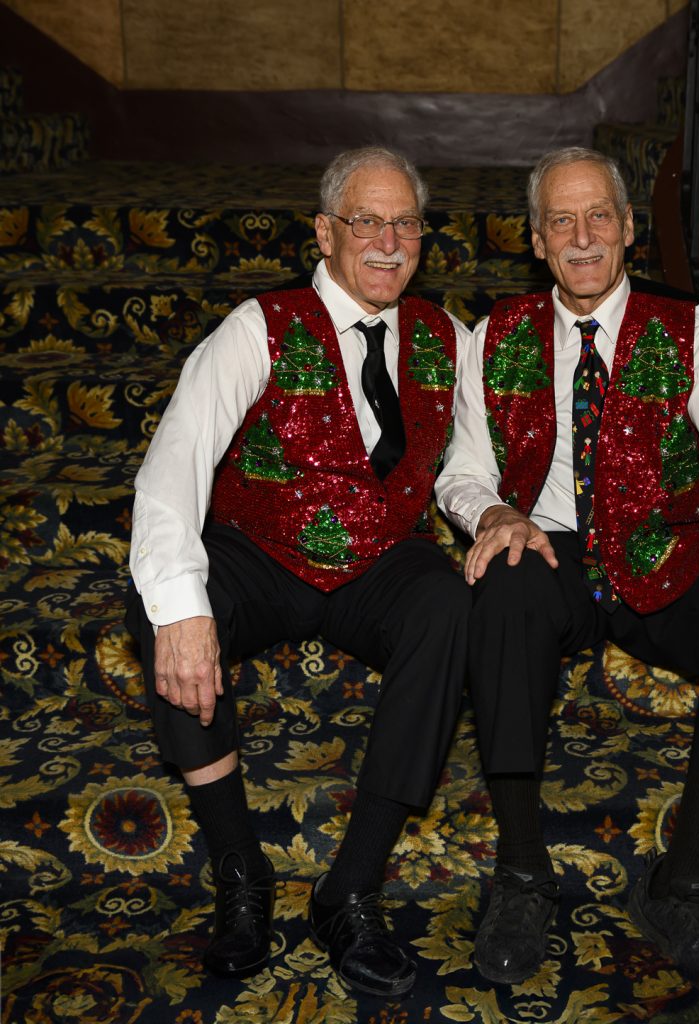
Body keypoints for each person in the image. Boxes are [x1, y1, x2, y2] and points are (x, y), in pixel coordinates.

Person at [435, 147, 699, 992]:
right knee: (500, 583)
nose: (581, 238)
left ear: (629, 229)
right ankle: (522, 872)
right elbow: (462, 468)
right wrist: (491, 512)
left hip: (665, 543)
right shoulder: (492, 335)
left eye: (597, 217)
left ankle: (684, 883)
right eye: (560, 222)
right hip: (557, 544)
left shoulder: (695, 329)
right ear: (535, 240)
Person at [127, 147, 471, 997]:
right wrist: (181, 609)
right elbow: (174, 464)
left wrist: (491, 511)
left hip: (379, 560)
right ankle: (241, 874)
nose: (387, 243)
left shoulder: (446, 337)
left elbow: (471, 467)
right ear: (324, 233)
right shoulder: (257, 325)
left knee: (449, 603)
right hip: (261, 554)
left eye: (404, 224)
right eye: (366, 222)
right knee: (159, 596)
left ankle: (349, 886)